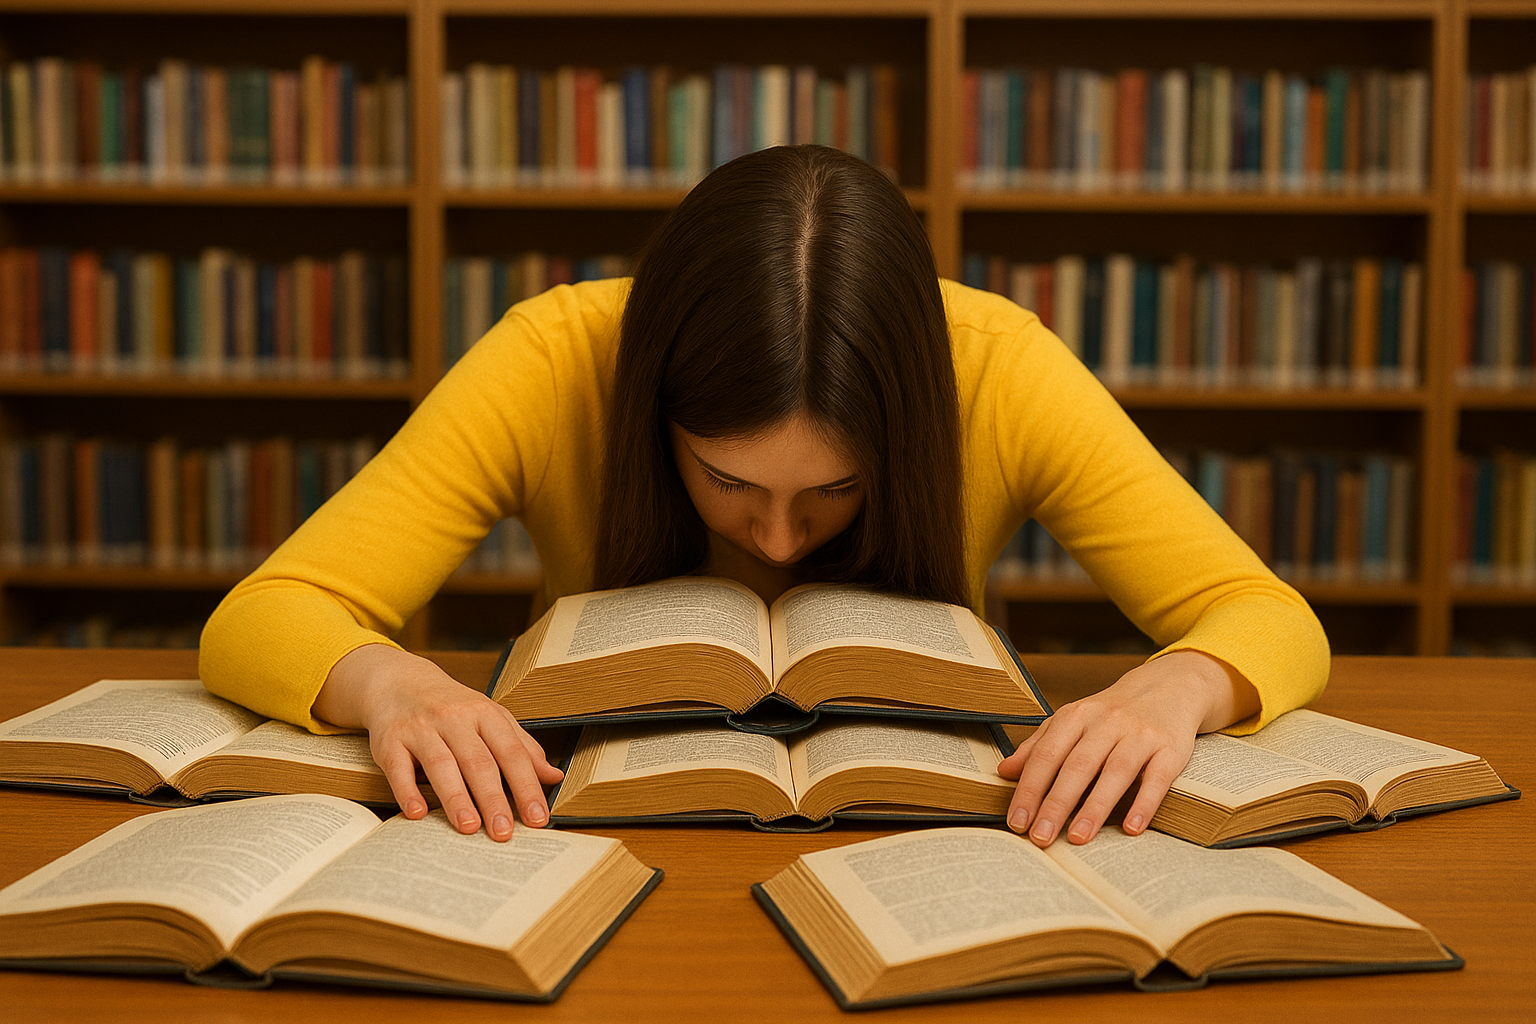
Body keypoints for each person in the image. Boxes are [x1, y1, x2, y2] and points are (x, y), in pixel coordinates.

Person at [199, 145, 1328, 847]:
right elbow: (265, 612)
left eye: (836, 490)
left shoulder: (996, 367)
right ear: (656, 405)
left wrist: (1176, 686)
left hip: (924, 832)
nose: (779, 539)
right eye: (727, 480)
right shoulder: (557, 358)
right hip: (583, 826)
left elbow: (1266, 614)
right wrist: (393, 684)